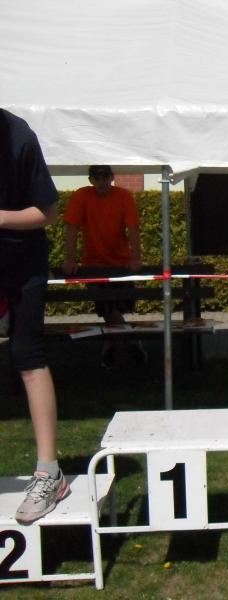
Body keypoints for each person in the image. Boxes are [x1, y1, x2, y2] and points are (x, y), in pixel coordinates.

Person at [0, 109, 70, 523]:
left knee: (27, 355)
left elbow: (47, 212)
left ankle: (49, 473)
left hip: (22, 262)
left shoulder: (18, 136)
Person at [62, 165, 146, 369]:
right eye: (97, 178)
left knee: (111, 310)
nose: (102, 182)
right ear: (91, 180)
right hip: (93, 265)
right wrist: (70, 259)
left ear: (112, 177)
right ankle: (130, 340)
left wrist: (136, 258)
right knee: (108, 309)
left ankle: (110, 349)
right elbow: (71, 229)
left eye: (105, 177)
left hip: (121, 264)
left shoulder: (124, 196)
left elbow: (133, 229)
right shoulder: (81, 196)